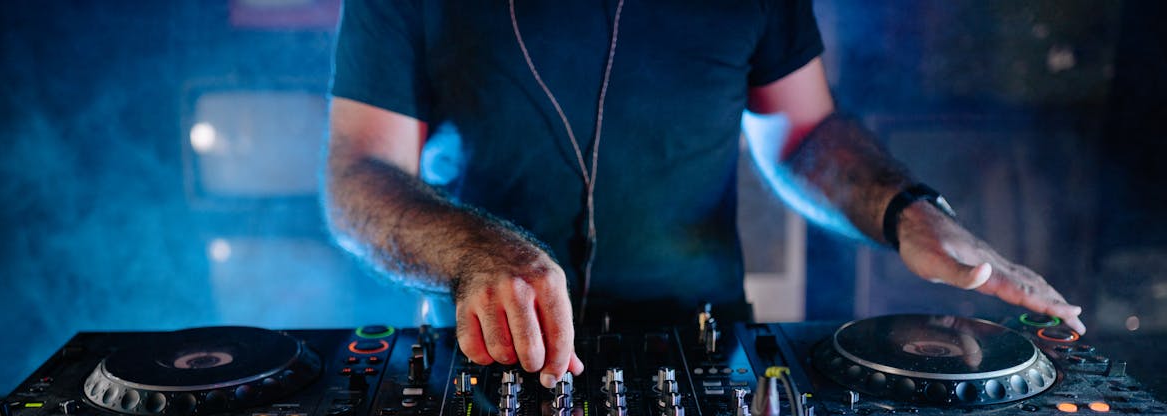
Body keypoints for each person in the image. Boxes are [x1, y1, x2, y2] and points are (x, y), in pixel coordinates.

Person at [323, 0, 1085, 389]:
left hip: (705, 354)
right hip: (485, 356)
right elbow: (359, 174)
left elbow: (803, 132)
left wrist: (906, 209)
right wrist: (477, 250)